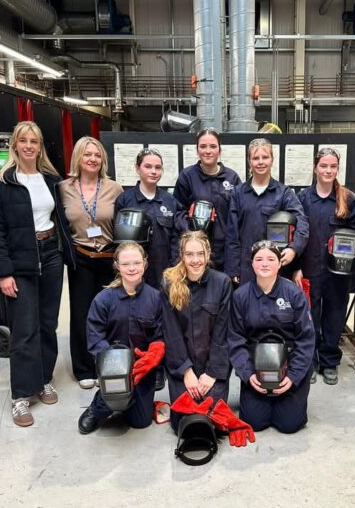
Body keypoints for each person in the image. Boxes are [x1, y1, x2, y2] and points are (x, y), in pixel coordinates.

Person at [0, 120, 74, 427]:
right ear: (15, 145)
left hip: (50, 256)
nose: (29, 146)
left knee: (48, 324)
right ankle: (21, 396)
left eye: (35, 141)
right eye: (24, 141)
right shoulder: (0, 183)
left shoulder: (50, 179)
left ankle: (44, 380)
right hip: (19, 263)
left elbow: (59, 218)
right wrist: (4, 273)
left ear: (40, 146)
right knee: (24, 330)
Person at [78, 241, 165, 434]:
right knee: (115, 392)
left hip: (142, 370)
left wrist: (152, 357)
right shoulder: (103, 299)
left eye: (136, 263)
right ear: (117, 266)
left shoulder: (156, 298)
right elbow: (95, 337)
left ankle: (131, 402)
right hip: (113, 370)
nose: (132, 268)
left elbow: (160, 335)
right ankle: (100, 405)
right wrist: (113, 364)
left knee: (141, 422)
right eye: (125, 264)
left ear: (145, 263)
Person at [228, 241, 315, 434]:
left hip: (290, 364)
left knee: (289, 424)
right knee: (254, 422)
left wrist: (293, 376)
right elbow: (236, 340)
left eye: (271, 259)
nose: (264, 264)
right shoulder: (240, 296)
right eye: (259, 259)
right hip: (256, 366)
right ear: (252, 264)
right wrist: (248, 374)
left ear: (279, 264)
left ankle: (292, 399)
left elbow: (306, 339)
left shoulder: (294, 294)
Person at [59, 136, 123, 390]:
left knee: (109, 314)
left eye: (97, 155)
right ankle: (84, 368)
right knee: (82, 313)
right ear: (78, 158)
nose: (93, 159)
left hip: (108, 257)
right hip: (81, 257)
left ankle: (106, 365)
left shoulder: (114, 188)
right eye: (88, 154)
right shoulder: (63, 188)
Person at [294, 148, 355, 385]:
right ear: (315, 168)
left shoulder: (348, 199)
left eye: (333, 166)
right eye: (324, 166)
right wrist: (296, 267)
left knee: (334, 317)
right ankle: (308, 362)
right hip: (309, 269)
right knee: (309, 317)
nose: (328, 171)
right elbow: (297, 235)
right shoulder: (302, 199)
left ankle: (330, 361)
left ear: (337, 169)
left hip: (338, 272)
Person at [161, 231, 232, 430]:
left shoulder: (222, 282)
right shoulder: (169, 282)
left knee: (214, 421)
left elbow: (223, 332)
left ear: (208, 254)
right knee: (183, 422)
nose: (195, 260)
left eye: (200, 254)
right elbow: (171, 332)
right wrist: (186, 372)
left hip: (212, 367)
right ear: (181, 255)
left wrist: (211, 373)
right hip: (182, 367)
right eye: (189, 254)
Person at [225, 138, 309, 285]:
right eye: (256, 158)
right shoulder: (238, 193)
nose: (260, 162)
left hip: (276, 267)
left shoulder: (284, 194)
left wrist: (294, 249)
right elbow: (232, 234)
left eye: (265, 157)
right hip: (247, 268)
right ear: (249, 161)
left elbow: (301, 223)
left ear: (272, 160)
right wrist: (233, 269)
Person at [114, 148, 182, 291]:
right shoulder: (125, 200)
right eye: (148, 166)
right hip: (134, 273)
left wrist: (174, 267)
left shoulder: (170, 201)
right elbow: (119, 242)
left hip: (164, 271)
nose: (153, 171)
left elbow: (176, 237)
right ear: (138, 168)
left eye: (158, 167)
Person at [174, 129, 241, 271]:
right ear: (197, 150)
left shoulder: (232, 177)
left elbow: (237, 216)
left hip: (224, 252)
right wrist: (192, 234)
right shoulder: (187, 176)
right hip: (195, 252)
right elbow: (178, 211)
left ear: (219, 149)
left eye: (213, 146)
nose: (208, 151)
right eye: (203, 146)